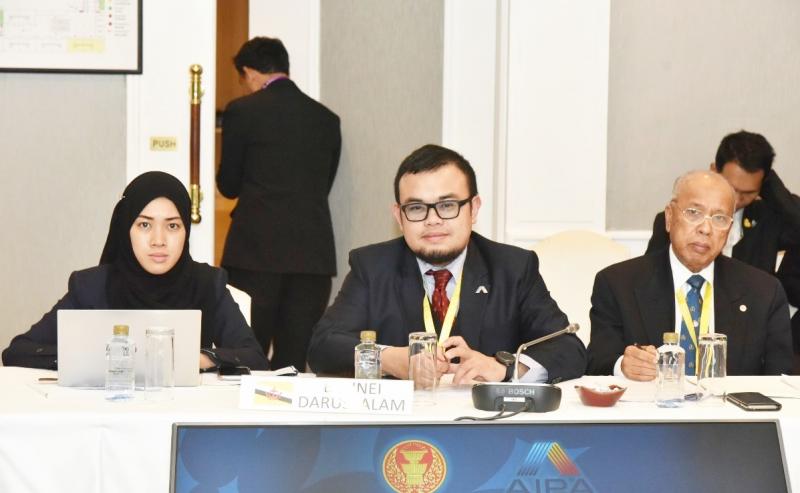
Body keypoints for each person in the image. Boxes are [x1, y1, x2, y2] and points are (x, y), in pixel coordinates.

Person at [307, 144, 587, 383]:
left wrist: (504, 368)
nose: (433, 220)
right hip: (402, 422)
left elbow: (568, 348)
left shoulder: (512, 268)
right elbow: (322, 346)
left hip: (486, 422)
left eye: (447, 206)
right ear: (399, 216)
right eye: (416, 208)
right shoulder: (372, 267)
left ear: (473, 209)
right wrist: (389, 359)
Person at [2, 171, 268, 371]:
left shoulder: (207, 283)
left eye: (172, 226)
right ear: (125, 229)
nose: (158, 240)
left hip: (183, 413)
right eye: (144, 225)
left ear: (186, 231)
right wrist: (95, 358)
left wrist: (196, 359)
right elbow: (18, 351)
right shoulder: (92, 287)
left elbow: (255, 357)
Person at [588, 170, 792, 379]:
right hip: (655, 400)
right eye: (694, 213)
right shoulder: (618, 284)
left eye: (719, 218)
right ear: (669, 217)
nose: (706, 229)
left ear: (729, 230)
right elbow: (597, 362)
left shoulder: (764, 292)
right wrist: (623, 366)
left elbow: (781, 379)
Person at [217, 36, 341, 371]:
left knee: (245, 355)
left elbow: (228, 185)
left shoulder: (242, 111)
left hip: (255, 253)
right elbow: (324, 185)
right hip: (312, 258)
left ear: (249, 73)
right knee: (294, 359)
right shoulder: (326, 120)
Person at [646, 130, 800, 283]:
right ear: (714, 171)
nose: (736, 199)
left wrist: (771, 183)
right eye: (731, 187)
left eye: (748, 192)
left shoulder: (768, 220)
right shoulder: (679, 218)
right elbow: (650, 277)